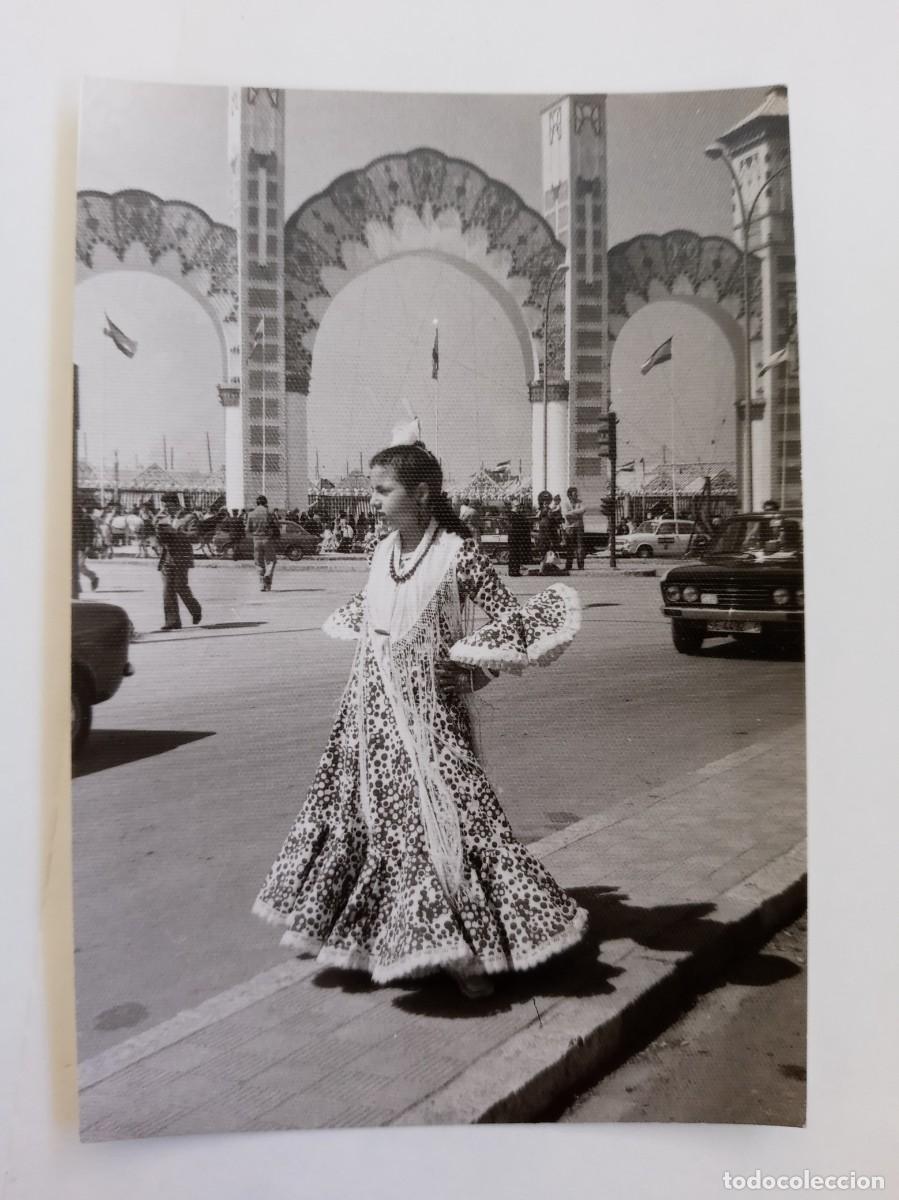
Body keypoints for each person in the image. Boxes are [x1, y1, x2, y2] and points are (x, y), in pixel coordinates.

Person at [254, 433, 585, 999]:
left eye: (383, 492)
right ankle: (412, 940)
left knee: (456, 819)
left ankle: (469, 950)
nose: (372, 502)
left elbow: (514, 626)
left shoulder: (461, 554)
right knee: (385, 825)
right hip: (370, 714)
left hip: (434, 717)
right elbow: (374, 620)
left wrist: (476, 672)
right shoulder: (380, 553)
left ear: (421, 494)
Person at [156, 492, 202, 630]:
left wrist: (175, 533)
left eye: (168, 506)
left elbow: (195, 537)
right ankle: (173, 621)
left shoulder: (189, 517)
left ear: (175, 504)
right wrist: (159, 533)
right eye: (163, 506)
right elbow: (158, 537)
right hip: (166, 557)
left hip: (182, 556)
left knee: (180, 587)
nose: (165, 509)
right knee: (167, 589)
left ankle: (195, 609)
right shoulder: (163, 518)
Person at [246, 494, 280, 591]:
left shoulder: (251, 514)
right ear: (265, 503)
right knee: (271, 560)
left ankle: (262, 584)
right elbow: (277, 525)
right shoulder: (269, 513)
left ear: (256, 503)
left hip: (256, 539)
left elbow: (248, 529)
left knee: (258, 562)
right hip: (267, 539)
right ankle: (268, 575)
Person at [74, 502, 99, 591]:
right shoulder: (75, 518)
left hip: (82, 545)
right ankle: (77, 586)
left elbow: (90, 534)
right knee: (75, 566)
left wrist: (88, 545)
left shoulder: (86, 519)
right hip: (75, 545)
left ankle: (93, 577)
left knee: (79, 566)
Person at [561, 486, 586, 571]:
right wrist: (577, 514)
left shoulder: (580, 502)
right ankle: (568, 565)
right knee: (570, 547)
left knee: (580, 547)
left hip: (579, 527)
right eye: (574, 494)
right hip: (569, 528)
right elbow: (565, 515)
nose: (576, 496)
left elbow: (583, 510)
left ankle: (581, 565)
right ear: (570, 495)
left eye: (576, 494)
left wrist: (571, 512)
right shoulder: (565, 503)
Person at [507, 499, 532, 577]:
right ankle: (512, 572)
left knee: (516, 555)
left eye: (519, 506)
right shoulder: (512, 514)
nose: (519, 507)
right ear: (513, 506)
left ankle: (516, 571)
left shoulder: (518, 514)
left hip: (517, 537)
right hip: (514, 537)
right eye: (517, 506)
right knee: (513, 555)